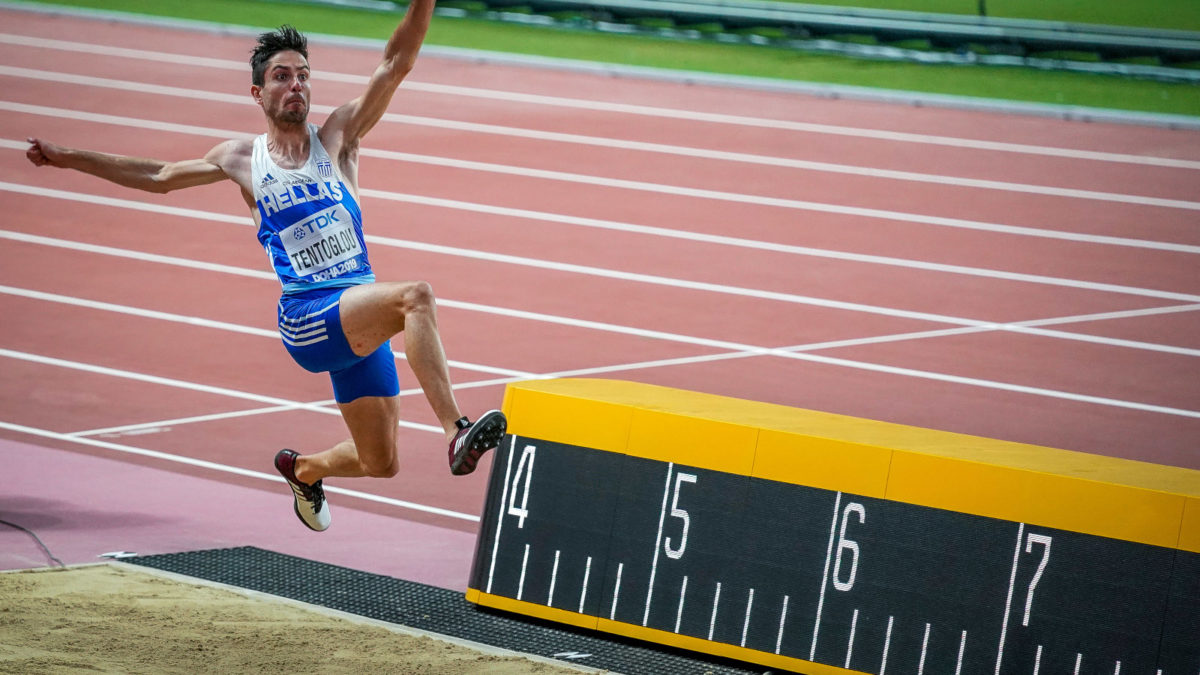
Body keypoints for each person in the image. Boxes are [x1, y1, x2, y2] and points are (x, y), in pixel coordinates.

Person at [24, 1, 507, 533]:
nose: (296, 84)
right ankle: (456, 429)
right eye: (282, 76)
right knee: (415, 296)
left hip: (356, 314)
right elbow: (159, 174)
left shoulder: (339, 141)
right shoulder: (241, 159)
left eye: (303, 75)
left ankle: (302, 469)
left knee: (381, 462)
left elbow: (396, 63)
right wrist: (68, 157)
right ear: (258, 93)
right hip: (306, 314)